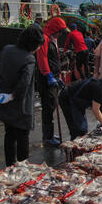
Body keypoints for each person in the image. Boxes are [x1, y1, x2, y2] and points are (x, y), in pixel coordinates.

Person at [0, 25, 45, 167]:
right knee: (22, 136)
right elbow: (24, 83)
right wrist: (13, 96)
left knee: (9, 134)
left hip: (4, 100)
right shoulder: (29, 59)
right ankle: (22, 167)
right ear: (34, 44)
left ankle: (10, 165)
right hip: (20, 104)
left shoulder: (7, 49)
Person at [58, 69, 102, 140]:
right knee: (78, 129)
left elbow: (96, 109)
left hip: (77, 102)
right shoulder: (99, 89)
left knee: (82, 128)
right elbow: (95, 110)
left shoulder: (100, 85)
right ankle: (73, 148)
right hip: (67, 99)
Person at [36, 16, 68, 147]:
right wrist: (48, 75)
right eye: (60, 31)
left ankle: (49, 134)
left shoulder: (53, 40)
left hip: (54, 77)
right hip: (46, 80)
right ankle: (47, 137)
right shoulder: (44, 39)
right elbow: (42, 58)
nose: (61, 34)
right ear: (55, 29)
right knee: (48, 107)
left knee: (53, 105)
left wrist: (58, 76)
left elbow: (56, 59)